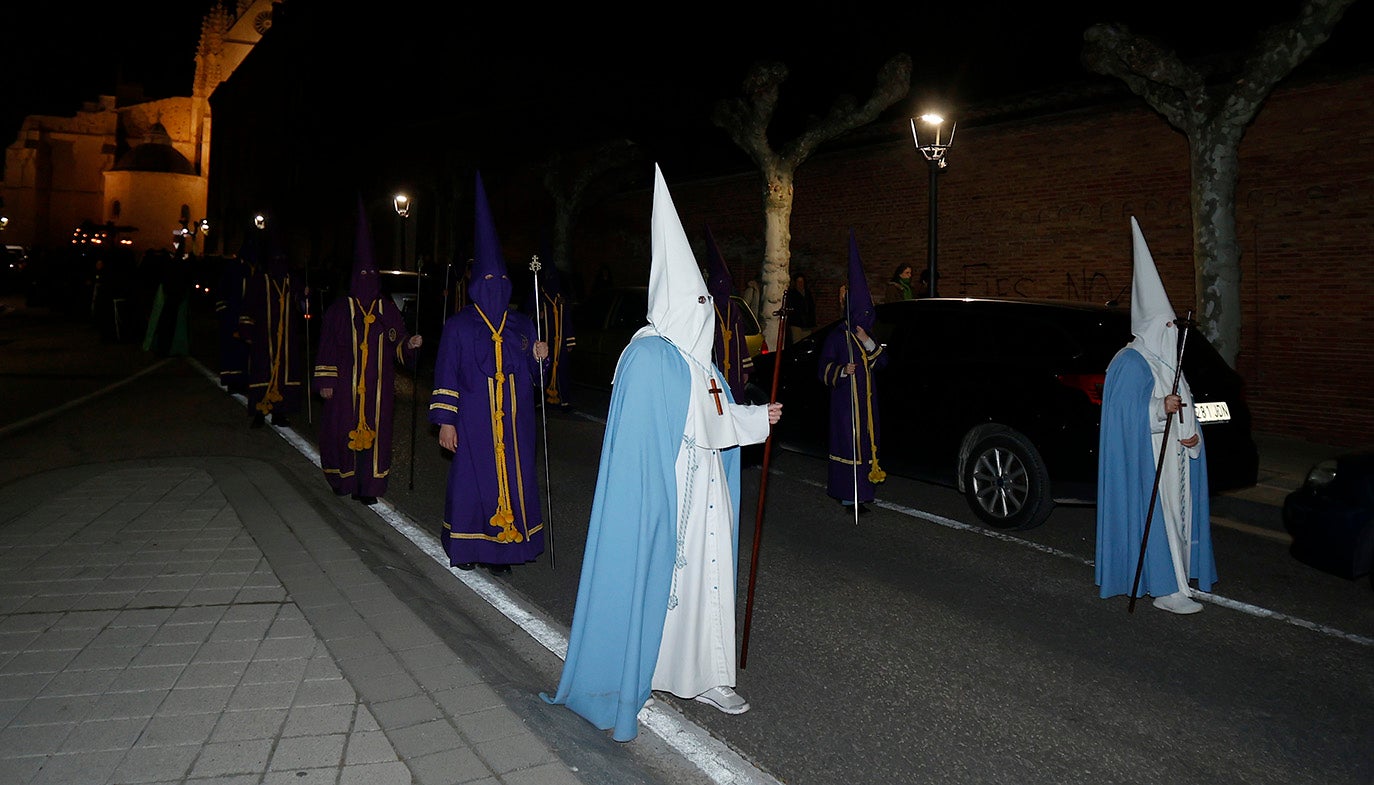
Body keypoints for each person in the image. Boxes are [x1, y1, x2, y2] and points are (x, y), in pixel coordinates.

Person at [544, 164, 782, 742]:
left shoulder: (698, 363)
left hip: (705, 503)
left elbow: (716, 413)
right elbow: (652, 438)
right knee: (657, 587)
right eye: (697, 300)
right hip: (667, 501)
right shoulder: (648, 357)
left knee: (706, 588)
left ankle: (708, 676)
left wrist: (758, 418)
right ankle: (637, 677)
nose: (705, 312)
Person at [428, 173, 549, 574]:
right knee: (471, 483)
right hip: (473, 421)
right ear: (477, 283)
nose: (496, 287)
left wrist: (540, 357)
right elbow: (446, 374)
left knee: (514, 481)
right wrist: (446, 422)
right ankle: (467, 547)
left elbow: (535, 376)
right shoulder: (459, 326)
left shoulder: (521, 325)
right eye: (489, 281)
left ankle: (504, 550)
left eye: (502, 280)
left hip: (515, 426)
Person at [1095, 217, 1216, 614]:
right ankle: (1165, 589)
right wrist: (1158, 410)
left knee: (1178, 520)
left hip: (1176, 459)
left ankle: (1178, 579)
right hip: (1148, 461)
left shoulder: (1168, 361)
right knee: (1160, 520)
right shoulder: (1130, 362)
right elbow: (1120, 416)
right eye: (1165, 324)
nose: (1171, 330)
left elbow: (1186, 401)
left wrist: (1193, 436)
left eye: (1172, 324)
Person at [314, 197, 422, 505]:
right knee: (340, 432)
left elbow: (397, 340)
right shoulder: (339, 310)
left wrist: (409, 345)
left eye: (371, 275)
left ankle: (368, 487)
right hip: (344, 388)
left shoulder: (386, 309)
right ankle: (343, 479)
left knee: (377, 437)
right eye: (362, 275)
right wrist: (326, 381)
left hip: (377, 390)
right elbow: (327, 346)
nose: (367, 280)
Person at [821, 231, 888, 515]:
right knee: (849, 445)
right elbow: (823, 369)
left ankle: (865, 492)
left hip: (867, 405)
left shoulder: (866, 337)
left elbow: (882, 363)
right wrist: (841, 371)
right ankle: (848, 495)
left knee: (867, 445)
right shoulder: (837, 337)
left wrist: (868, 341)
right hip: (845, 405)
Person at [239, 226, 305, 428]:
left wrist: (305, 297)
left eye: (282, 259)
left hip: (286, 340)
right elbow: (248, 306)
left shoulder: (292, 281)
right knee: (262, 372)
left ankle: (280, 412)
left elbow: (301, 306)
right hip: (264, 337)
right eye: (276, 259)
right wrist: (247, 330)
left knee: (285, 374)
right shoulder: (260, 281)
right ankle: (260, 411)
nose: (279, 263)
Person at [703, 225, 753, 401]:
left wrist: (745, 368)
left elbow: (740, 339)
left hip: (734, 371)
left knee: (733, 402)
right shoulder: (707, 308)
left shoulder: (734, 309)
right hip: (715, 368)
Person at [525, 247, 576, 409]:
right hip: (544, 339)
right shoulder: (538, 295)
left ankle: (564, 399)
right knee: (543, 368)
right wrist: (537, 314)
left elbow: (567, 319)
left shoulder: (561, 298)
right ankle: (541, 400)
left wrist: (569, 340)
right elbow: (526, 314)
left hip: (560, 340)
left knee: (562, 368)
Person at [786, 271, 817, 346]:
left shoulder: (807, 294)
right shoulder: (792, 294)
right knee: (797, 343)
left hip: (807, 324)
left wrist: (812, 321)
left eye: (802, 282)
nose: (800, 284)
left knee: (806, 344)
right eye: (798, 282)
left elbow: (811, 308)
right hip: (796, 323)